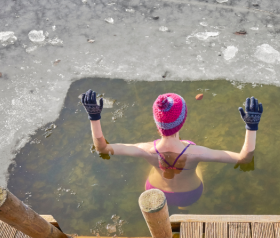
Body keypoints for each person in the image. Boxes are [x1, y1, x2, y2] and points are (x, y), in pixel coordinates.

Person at [81, 89, 263, 209]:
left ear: (157, 123)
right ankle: (182, 209)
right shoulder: (197, 153)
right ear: (183, 120)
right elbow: (244, 158)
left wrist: (94, 116)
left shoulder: (144, 149)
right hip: (189, 196)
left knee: (155, 166)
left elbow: (102, 148)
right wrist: (251, 127)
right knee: (199, 167)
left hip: (154, 192)